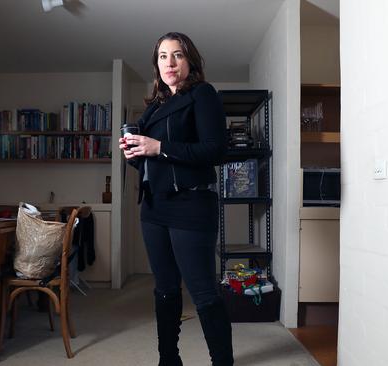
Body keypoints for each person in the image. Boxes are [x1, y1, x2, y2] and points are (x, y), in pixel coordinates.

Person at [119, 32, 233, 366]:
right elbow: (148, 159)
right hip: (154, 207)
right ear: (156, 64)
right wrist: (134, 152)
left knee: (203, 293)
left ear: (190, 61)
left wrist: (160, 147)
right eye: (163, 56)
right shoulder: (155, 106)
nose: (170, 63)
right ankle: (169, 359)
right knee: (165, 289)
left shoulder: (203, 94)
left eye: (178, 55)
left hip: (192, 206)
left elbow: (215, 150)